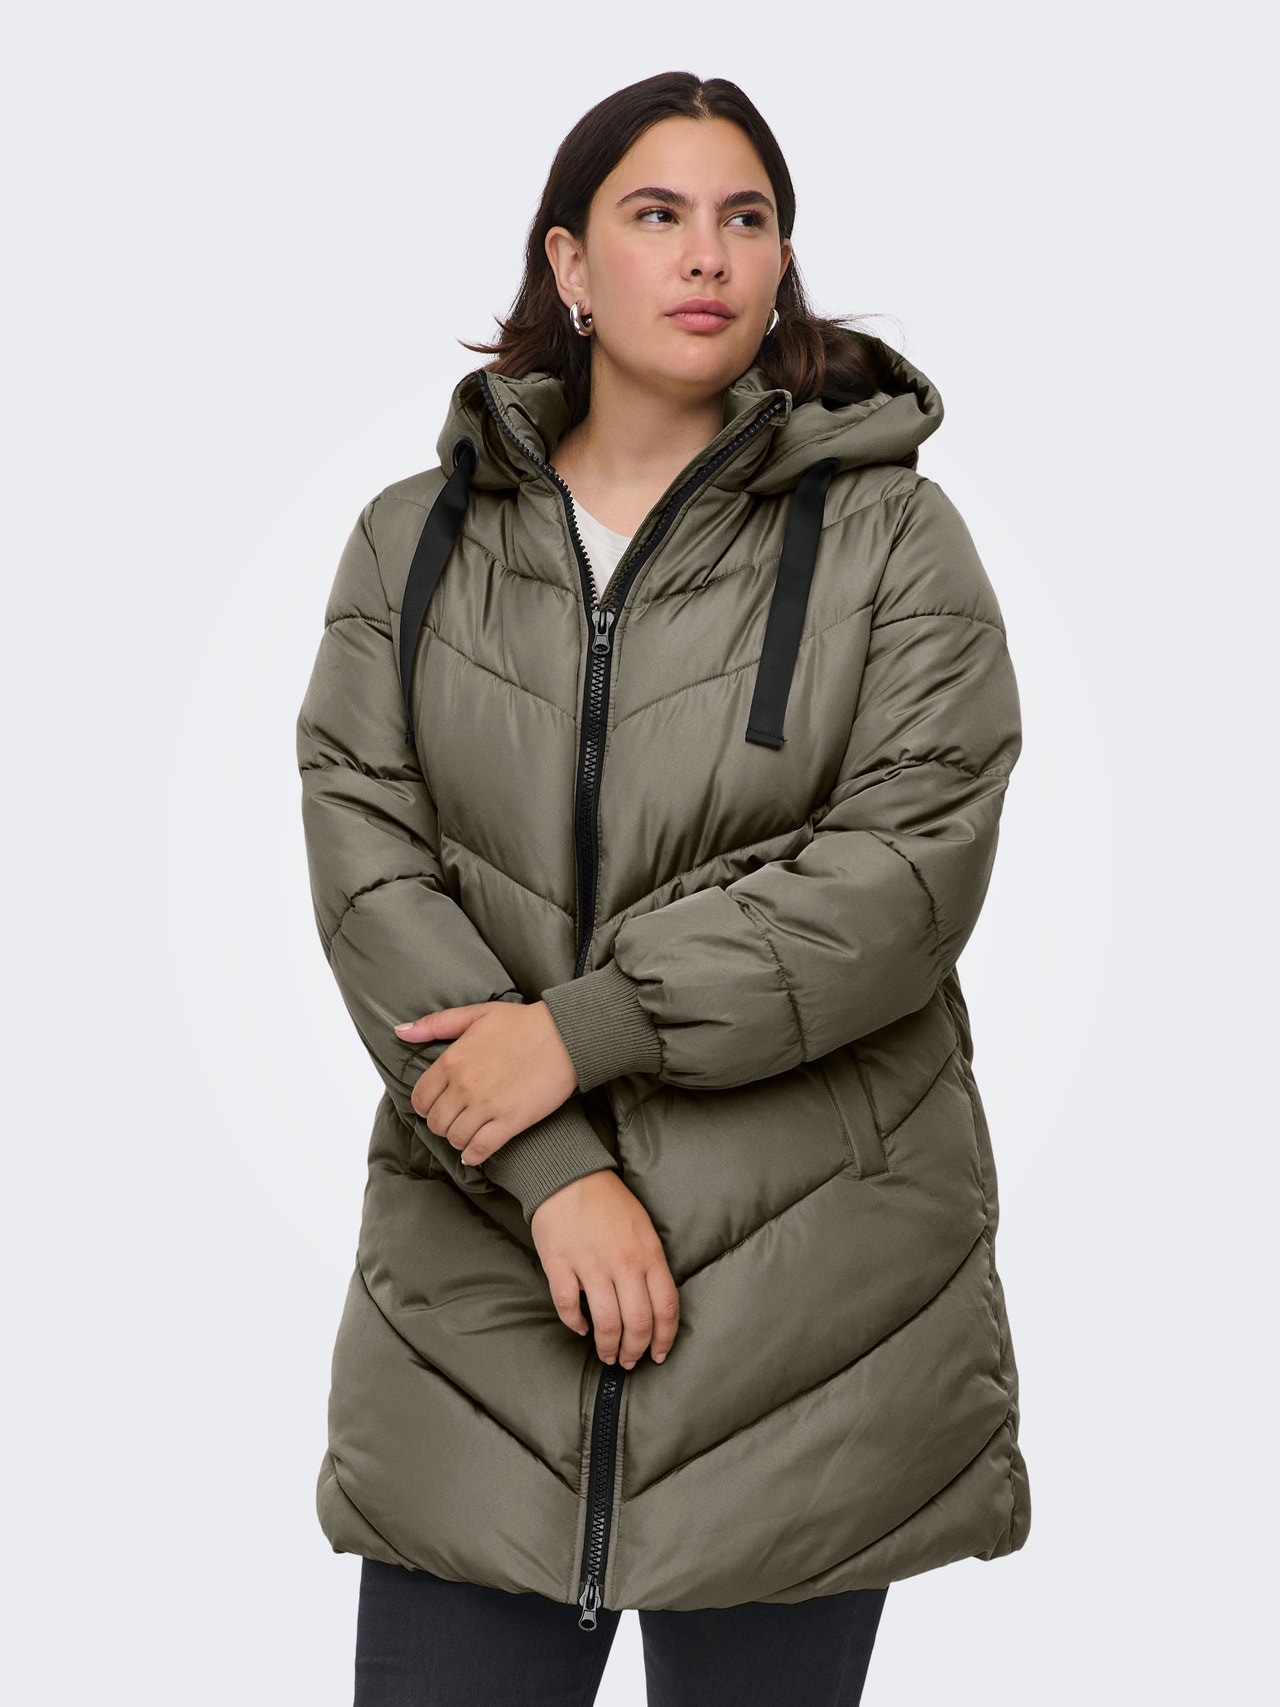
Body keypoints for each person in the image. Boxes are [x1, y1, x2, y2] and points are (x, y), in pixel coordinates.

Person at [296, 70, 1031, 1707]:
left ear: (781, 266)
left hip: (803, 1328)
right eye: (658, 214)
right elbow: (368, 868)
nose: (707, 254)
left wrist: (586, 1028)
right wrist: (554, 1168)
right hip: (481, 1297)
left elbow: (904, 872)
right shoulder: (413, 544)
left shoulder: (894, 543)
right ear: (569, 263)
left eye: (745, 219)